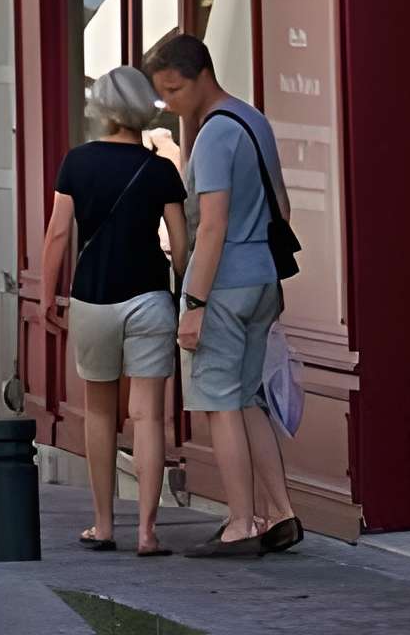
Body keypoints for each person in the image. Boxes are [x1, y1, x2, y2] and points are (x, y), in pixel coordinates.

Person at [145, 31, 301, 558]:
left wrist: (194, 304)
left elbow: (210, 227)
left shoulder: (213, 135)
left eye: (173, 90)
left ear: (200, 77)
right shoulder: (253, 119)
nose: (170, 103)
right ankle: (282, 514)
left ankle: (241, 522)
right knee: (249, 397)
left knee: (219, 402)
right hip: (262, 278)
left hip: (224, 285)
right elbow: (281, 203)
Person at [41, 64, 187, 556]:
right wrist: (187, 293)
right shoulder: (160, 169)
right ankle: (148, 531)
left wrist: (46, 293)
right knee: (148, 417)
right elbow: (182, 243)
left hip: (93, 297)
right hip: (149, 296)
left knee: (99, 413)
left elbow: (59, 233)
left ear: (102, 109)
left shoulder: (77, 163)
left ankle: (104, 525)